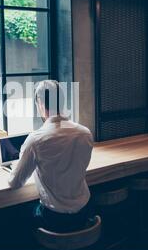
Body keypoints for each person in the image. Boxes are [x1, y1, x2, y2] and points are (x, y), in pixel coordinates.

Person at [8, 80, 94, 233]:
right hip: (85, 211)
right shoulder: (85, 133)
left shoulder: (36, 140)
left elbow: (14, 182)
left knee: (18, 213)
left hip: (55, 219)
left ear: (40, 103)